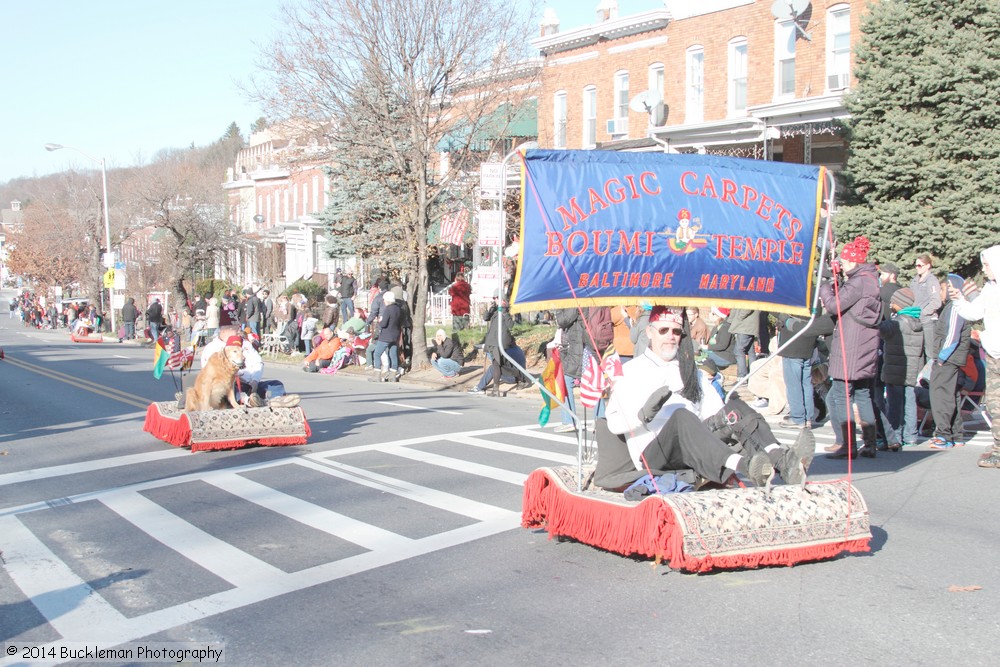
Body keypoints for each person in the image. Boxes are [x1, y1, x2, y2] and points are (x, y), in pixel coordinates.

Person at [604, 307, 811, 488]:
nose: (670, 337)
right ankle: (745, 466)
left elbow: (715, 413)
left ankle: (782, 461)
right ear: (650, 332)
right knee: (681, 416)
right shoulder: (630, 371)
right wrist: (644, 415)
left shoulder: (690, 371)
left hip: (692, 442)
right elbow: (613, 423)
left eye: (676, 331)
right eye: (663, 330)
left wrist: (730, 418)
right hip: (653, 452)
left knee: (734, 409)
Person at [819, 236, 883, 459]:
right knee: (863, 393)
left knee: (841, 395)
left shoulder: (858, 282)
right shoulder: (872, 279)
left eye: (844, 262)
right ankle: (870, 443)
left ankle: (848, 446)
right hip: (866, 345)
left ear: (855, 262)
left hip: (851, 345)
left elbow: (835, 306)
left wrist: (825, 288)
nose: (841, 265)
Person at [949, 245, 1000, 466]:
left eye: (987, 264)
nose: (984, 268)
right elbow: (974, 312)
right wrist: (959, 299)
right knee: (994, 403)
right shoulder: (989, 289)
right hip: (993, 352)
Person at [927, 274, 973, 449]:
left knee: (940, 395)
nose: (941, 292)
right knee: (951, 394)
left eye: (944, 288)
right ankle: (956, 434)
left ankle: (943, 435)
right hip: (952, 357)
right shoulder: (953, 306)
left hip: (948, 358)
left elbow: (952, 335)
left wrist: (941, 357)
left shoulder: (955, 307)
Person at [880, 288, 925, 449]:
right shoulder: (917, 322)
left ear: (900, 304)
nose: (891, 304)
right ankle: (911, 436)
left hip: (895, 369)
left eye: (893, 302)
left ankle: (895, 435)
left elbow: (879, 329)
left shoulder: (896, 323)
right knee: (910, 402)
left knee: (894, 404)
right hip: (911, 369)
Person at [776, 308, 834, 429]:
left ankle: (797, 417)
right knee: (805, 382)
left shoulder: (795, 296)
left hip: (792, 343)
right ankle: (807, 416)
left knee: (794, 383)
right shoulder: (814, 296)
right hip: (808, 343)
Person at [911, 254, 942, 366]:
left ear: (928, 266)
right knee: (918, 352)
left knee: (930, 352)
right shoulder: (915, 280)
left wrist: (924, 312)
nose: (917, 268)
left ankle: (930, 378)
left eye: (920, 265)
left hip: (928, 321)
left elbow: (936, 302)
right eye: (916, 265)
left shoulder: (931, 281)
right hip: (916, 320)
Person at [369, 290, 401, 382]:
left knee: (377, 353)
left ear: (386, 300)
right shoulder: (398, 308)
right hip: (395, 335)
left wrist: (380, 320)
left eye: (384, 300)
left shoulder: (388, 309)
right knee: (393, 354)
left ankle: (377, 374)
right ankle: (393, 375)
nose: (383, 302)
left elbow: (383, 324)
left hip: (386, 335)